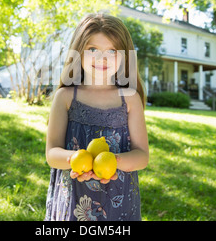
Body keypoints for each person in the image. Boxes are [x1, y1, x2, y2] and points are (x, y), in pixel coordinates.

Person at [45, 13, 149, 221]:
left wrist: (113, 161)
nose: (102, 58)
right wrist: (75, 160)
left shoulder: (129, 99)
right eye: (93, 49)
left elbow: (142, 156)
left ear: (124, 56)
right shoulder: (65, 97)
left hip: (119, 201)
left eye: (112, 50)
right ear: (78, 53)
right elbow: (51, 153)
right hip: (72, 199)